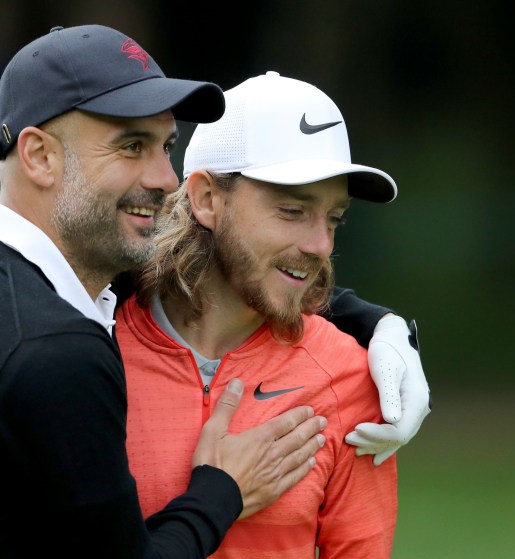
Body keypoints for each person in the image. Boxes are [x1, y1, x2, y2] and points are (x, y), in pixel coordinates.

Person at [0, 25, 330, 558]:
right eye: (131, 146)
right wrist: (223, 489)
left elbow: (220, 273)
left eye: (166, 146)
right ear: (39, 157)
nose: (166, 179)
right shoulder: (51, 347)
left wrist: (375, 325)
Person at [119, 71, 406, 557]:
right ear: (207, 198)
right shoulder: (92, 352)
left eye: (334, 218)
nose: (321, 245)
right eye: (293, 211)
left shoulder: (349, 377)